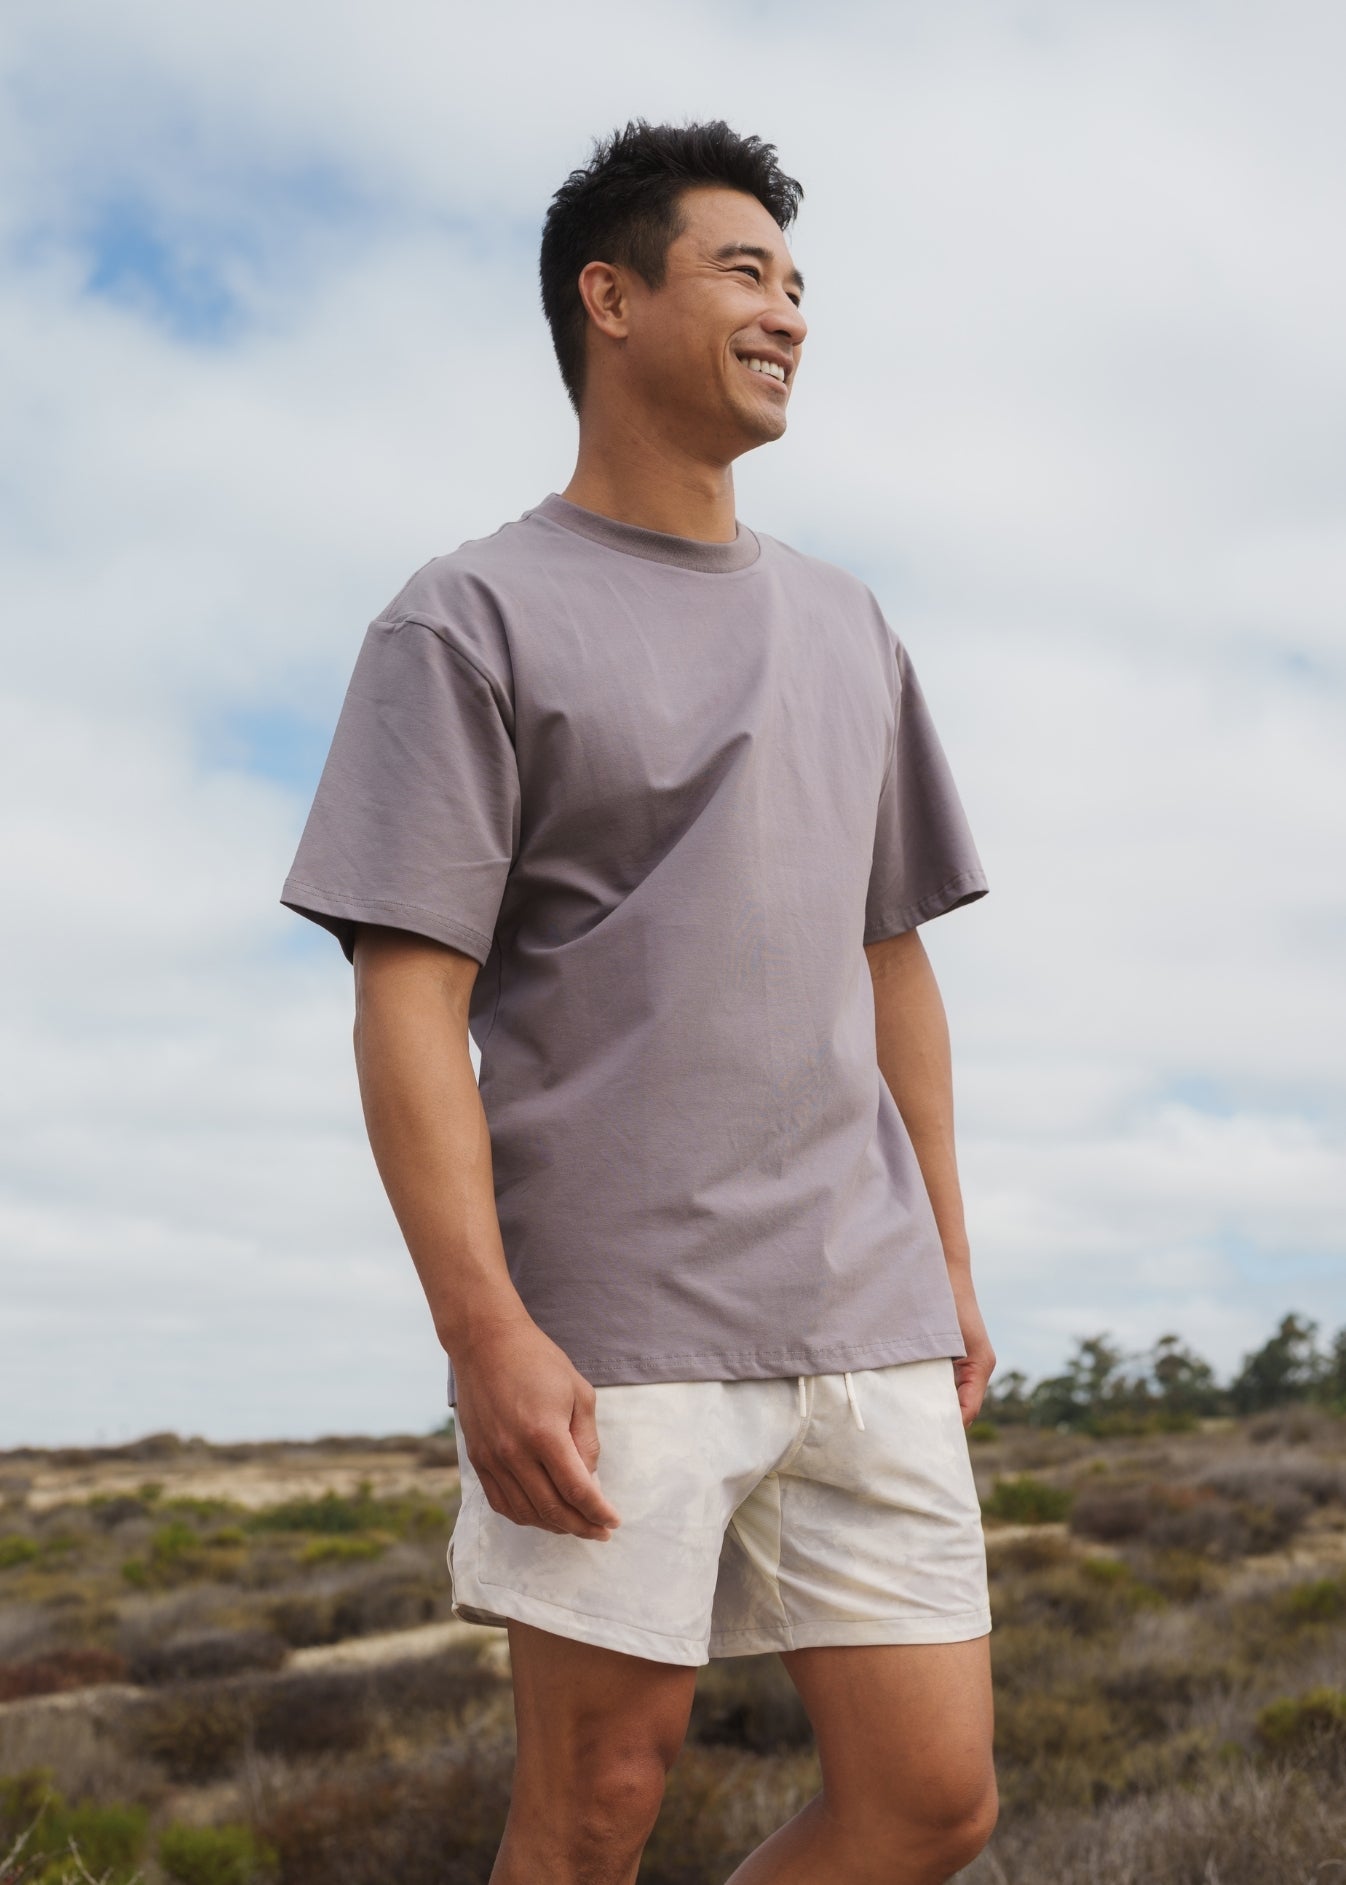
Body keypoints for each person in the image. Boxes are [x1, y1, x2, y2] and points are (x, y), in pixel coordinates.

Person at [280, 116, 999, 1885]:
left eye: (798, 284)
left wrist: (952, 1263)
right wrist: (483, 1329)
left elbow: (888, 957)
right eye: (744, 271)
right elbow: (405, 1003)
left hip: (867, 1312)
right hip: (614, 1327)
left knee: (932, 1799)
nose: (788, 316)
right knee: (596, 1805)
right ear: (610, 298)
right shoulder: (467, 619)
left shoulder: (848, 624)